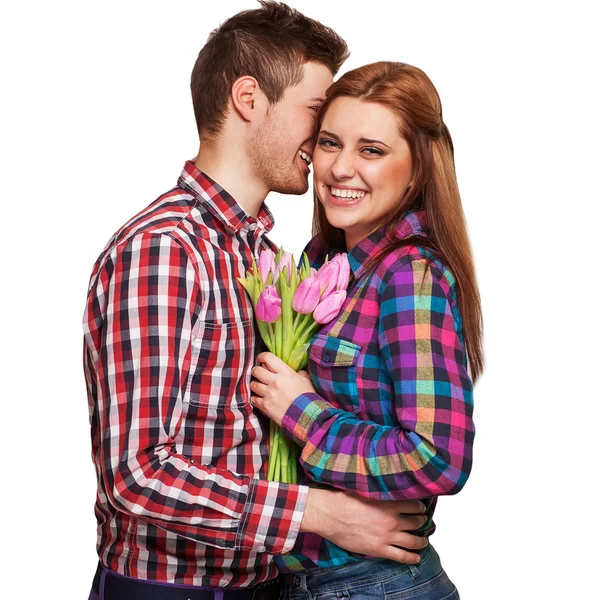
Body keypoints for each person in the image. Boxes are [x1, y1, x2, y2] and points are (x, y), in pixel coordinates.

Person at [82, 5, 429, 599]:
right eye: (316, 113)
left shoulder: (266, 256)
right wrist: (318, 513)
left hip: (265, 583)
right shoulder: (165, 250)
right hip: (173, 590)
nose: (324, 144)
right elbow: (137, 476)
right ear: (249, 98)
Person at [250, 61, 483, 599]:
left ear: (418, 169)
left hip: (374, 585)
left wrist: (303, 414)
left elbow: (439, 458)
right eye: (330, 143)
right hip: (311, 581)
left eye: (371, 150)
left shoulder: (409, 275)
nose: (340, 168)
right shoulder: (326, 264)